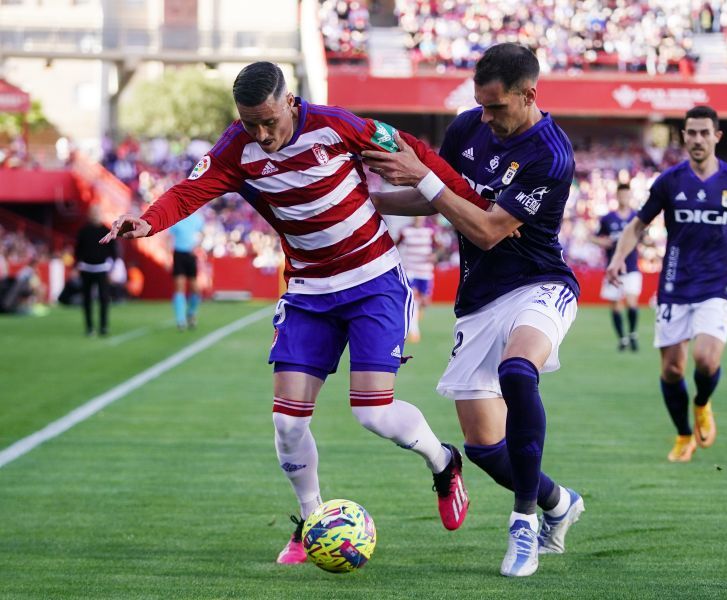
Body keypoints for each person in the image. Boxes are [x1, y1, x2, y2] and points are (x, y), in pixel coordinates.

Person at [100, 61, 487, 565]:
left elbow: (415, 152)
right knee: (286, 424)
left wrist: (471, 199)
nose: (261, 134)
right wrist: (148, 222)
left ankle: (442, 461)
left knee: (372, 413)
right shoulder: (235, 149)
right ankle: (311, 520)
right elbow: (188, 191)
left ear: (290, 101)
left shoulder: (337, 125)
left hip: (372, 281)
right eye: (249, 123)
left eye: (268, 121)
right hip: (308, 291)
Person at [363, 43, 584, 578]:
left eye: (497, 107)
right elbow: (443, 198)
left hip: (539, 284)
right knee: (485, 449)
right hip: (478, 301)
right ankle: (560, 502)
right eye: (480, 105)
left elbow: (485, 229)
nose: (486, 117)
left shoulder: (550, 155)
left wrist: (423, 175)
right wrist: (364, 200)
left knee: (518, 370)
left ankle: (525, 526)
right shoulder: (468, 128)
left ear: (530, 95)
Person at [607, 105, 727, 463]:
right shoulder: (669, 181)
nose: (697, 139)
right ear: (684, 136)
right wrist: (619, 257)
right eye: (691, 133)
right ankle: (683, 436)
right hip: (674, 285)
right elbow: (637, 224)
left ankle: (702, 403)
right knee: (672, 370)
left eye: (703, 133)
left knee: (706, 361)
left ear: (717, 136)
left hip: (717, 285)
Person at [596, 183, 642, 352]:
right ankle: (622, 338)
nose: (624, 198)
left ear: (630, 196)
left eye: (627, 195)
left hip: (631, 267)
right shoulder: (607, 218)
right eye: (621, 195)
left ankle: (632, 334)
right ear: (617, 196)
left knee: (631, 302)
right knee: (615, 305)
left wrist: (646, 241)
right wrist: (602, 241)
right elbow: (594, 237)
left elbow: (643, 236)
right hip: (612, 269)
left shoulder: (637, 217)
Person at [75, 205, 116, 336]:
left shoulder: (106, 230)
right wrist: (77, 265)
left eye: (97, 212)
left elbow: (113, 251)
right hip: (86, 268)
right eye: (92, 212)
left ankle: (103, 327)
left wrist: (111, 268)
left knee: (104, 299)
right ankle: (89, 327)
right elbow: (78, 250)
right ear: (89, 214)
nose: (94, 215)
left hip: (102, 269)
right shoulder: (83, 230)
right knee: (87, 299)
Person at [396, 216, 435, 343]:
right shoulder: (405, 231)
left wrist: (435, 255)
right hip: (410, 270)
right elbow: (394, 246)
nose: (419, 219)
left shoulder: (430, 231)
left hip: (425, 271)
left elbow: (439, 247)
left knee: (425, 301)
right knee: (411, 299)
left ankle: (417, 312)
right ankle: (414, 331)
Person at [168, 210, 205, 330]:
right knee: (179, 286)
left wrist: (198, 246)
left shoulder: (197, 218)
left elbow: (202, 234)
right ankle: (180, 319)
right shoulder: (176, 218)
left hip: (191, 254)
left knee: (195, 288)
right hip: (178, 254)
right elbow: (169, 238)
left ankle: (191, 312)